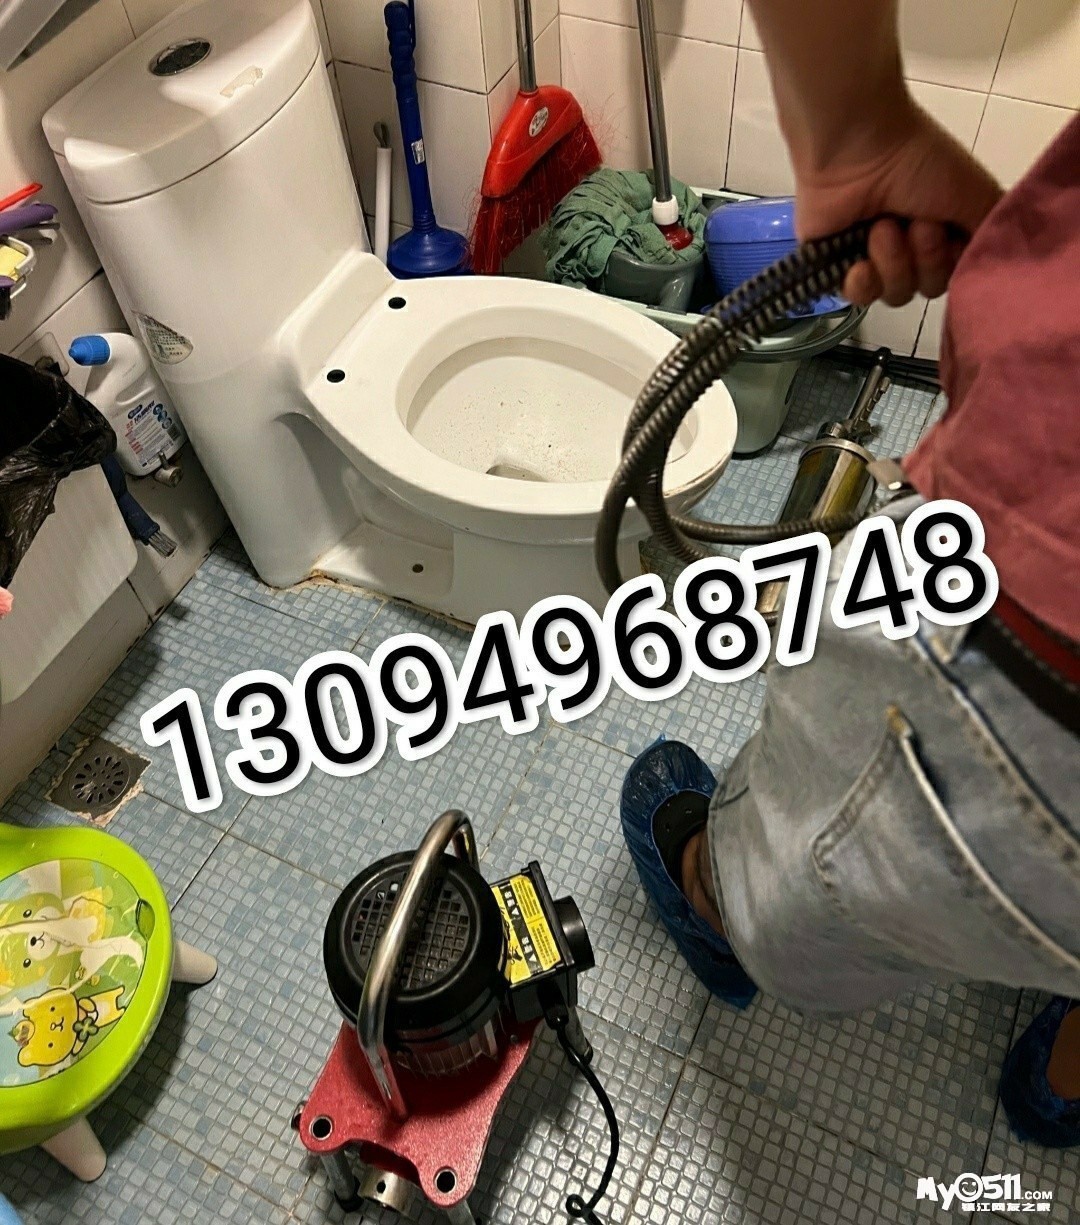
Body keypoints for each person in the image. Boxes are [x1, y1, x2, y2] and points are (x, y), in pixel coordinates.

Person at [622, 0, 1080, 1148]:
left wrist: (856, 122)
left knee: (804, 851)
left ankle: (721, 905)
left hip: (1042, 606)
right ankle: (1065, 1080)